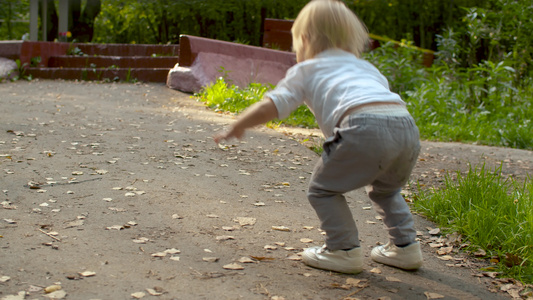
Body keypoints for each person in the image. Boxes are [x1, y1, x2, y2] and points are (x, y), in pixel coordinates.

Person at [213, 0, 423, 274]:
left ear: (304, 39)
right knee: (388, 190)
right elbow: (378, 101)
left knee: (322, 190)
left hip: (361, 126)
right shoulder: (368, 69)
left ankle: (342, 249)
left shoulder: (306, 69)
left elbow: (273, 104)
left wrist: (239, 124)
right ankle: (406, 248)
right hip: (406, 126)